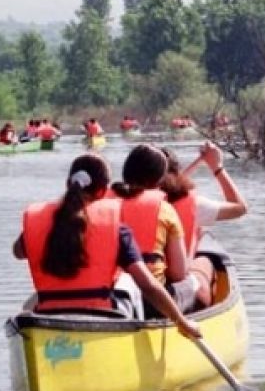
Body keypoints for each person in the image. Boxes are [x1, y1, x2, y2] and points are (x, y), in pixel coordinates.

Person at [12, 153, 200, 339]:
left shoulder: (44, 221)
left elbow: (18, 252)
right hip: (100, 320)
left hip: (48, 318)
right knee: (126, 284)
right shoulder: (115, 228)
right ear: (102, 192)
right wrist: (181, 321)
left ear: (68, 184)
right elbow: (148, 285)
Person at [109, 144, 203, 315]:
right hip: (152, 303)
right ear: (160, 180)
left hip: (111, 296)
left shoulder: (101, 206)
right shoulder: (164, 209)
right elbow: (178, 273)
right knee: (192, 283)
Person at [159, 141, 247, 305]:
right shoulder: (193, 205)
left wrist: (198, 162)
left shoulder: (123, 202)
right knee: (206, 260)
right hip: (174, 285)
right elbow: (240, 208)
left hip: (139, 282)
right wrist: (217, 167)